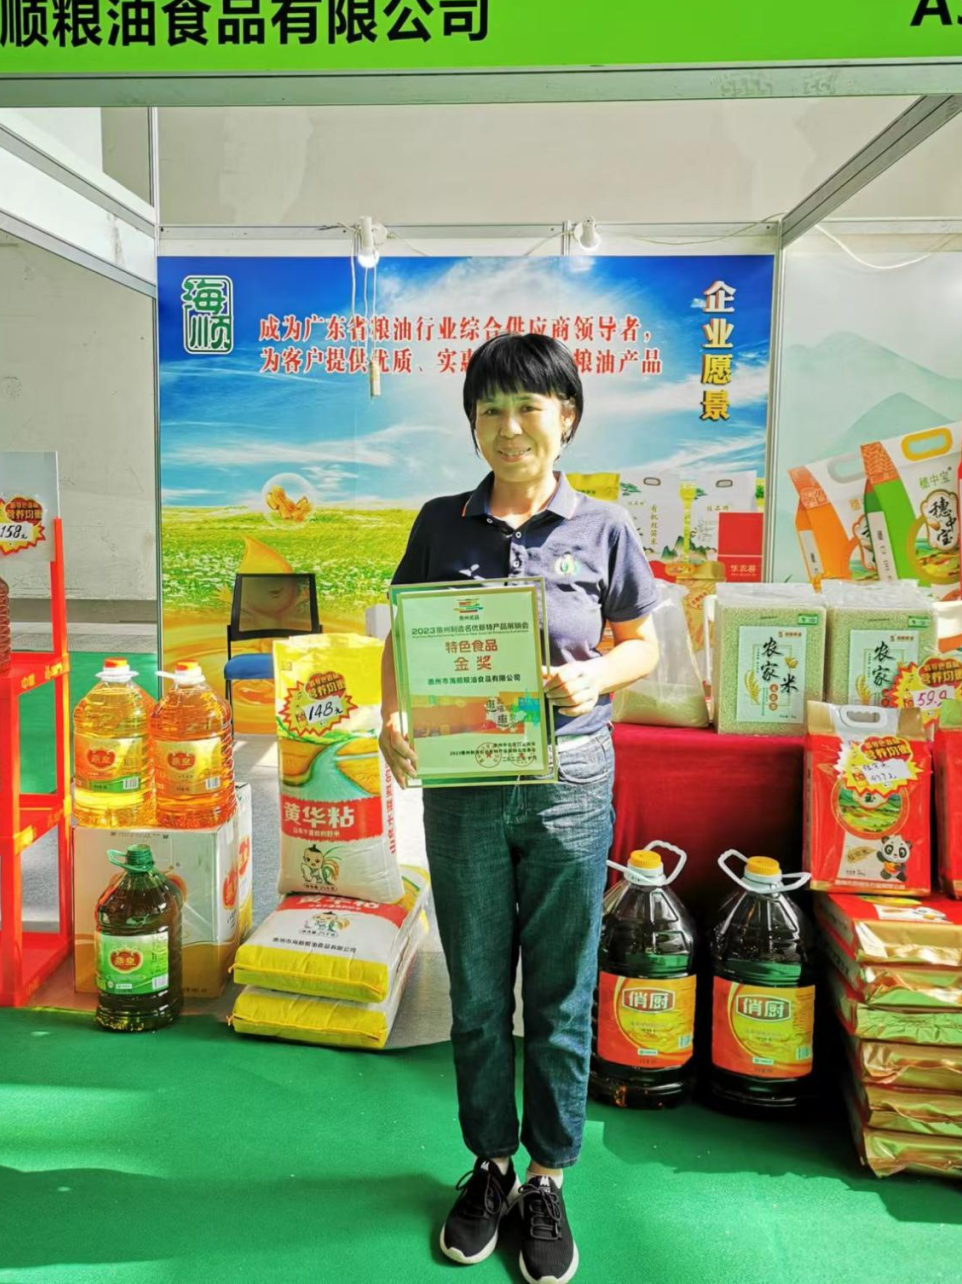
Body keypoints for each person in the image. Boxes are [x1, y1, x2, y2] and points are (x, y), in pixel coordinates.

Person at [381, 334, 659, 1284]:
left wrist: (595, 678)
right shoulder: (440, 522)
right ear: (472, 423)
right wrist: (391, 716)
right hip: (464, 784)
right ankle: (489, 1164)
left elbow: (641, 644)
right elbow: (403, 636)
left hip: (570, 782)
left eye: (528, 408)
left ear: (565, 418)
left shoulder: (604, 526)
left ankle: (548, 1177)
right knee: (475, 989)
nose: (508, 428)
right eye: (489, 410)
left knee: (558, 990)